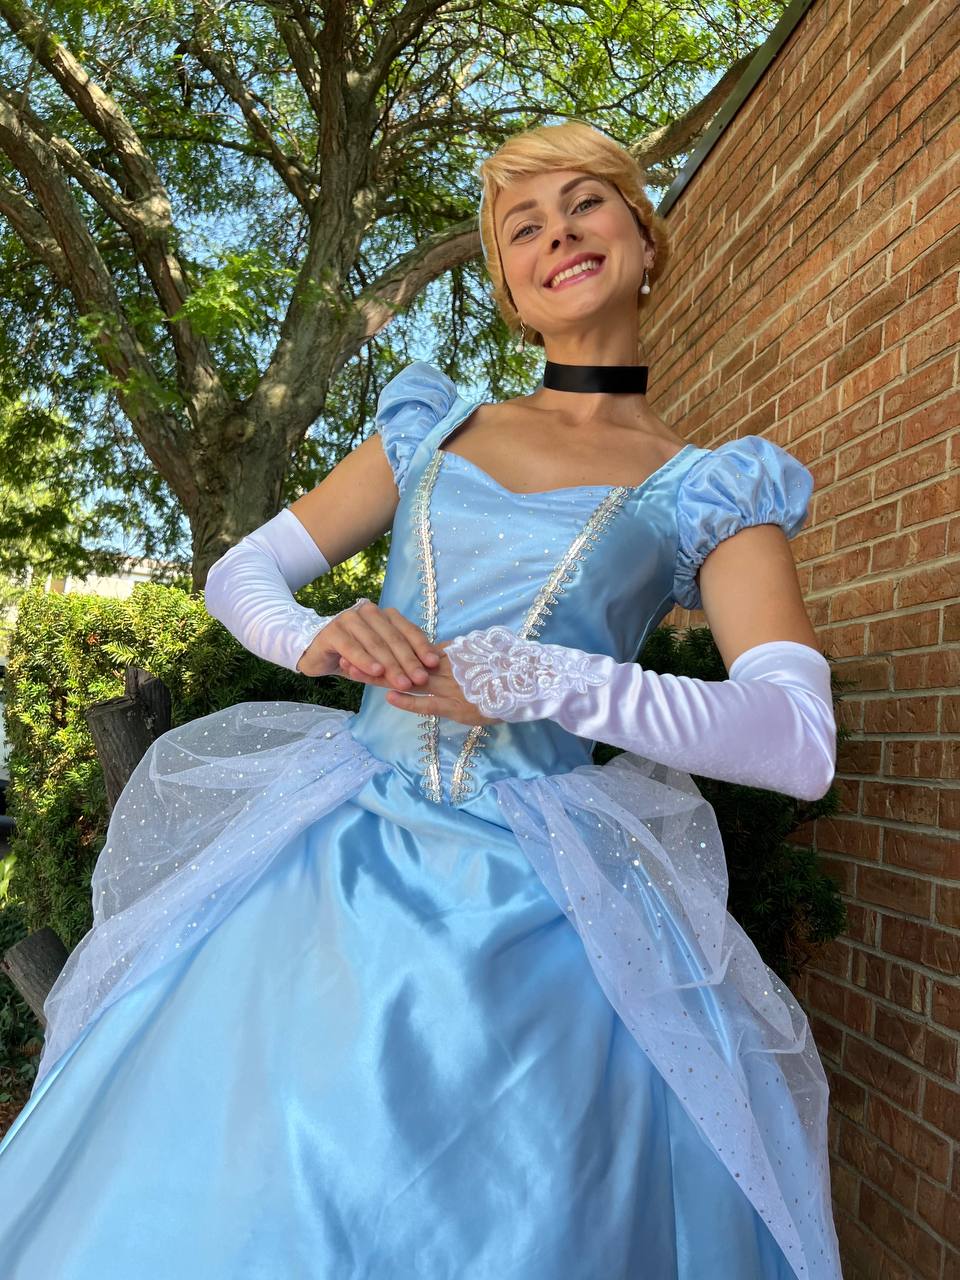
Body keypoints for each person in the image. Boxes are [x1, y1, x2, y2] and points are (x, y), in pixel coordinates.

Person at [0, 120, 843, 1279]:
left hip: (551, 914)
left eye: (585, 204)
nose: (558, 235)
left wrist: (554, 679)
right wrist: (320, 637)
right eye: (523, 227)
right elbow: (240, 574)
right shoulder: (436, 430)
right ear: (505, 283)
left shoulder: (712, 488)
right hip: (331, 874)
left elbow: (797, 740)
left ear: (646, 237)